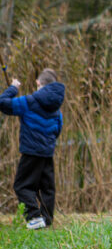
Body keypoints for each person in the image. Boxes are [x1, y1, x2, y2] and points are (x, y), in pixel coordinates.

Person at [0, 69, 65, 230]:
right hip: (47, 153)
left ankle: (34, 217)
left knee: (22, 186)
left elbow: (3, 103)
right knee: (47, 188)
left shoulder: (28, 102)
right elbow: (58, 128)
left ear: (38, 83)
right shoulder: (56, 108)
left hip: (30, 152)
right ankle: (47, 219)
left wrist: (13, 88)